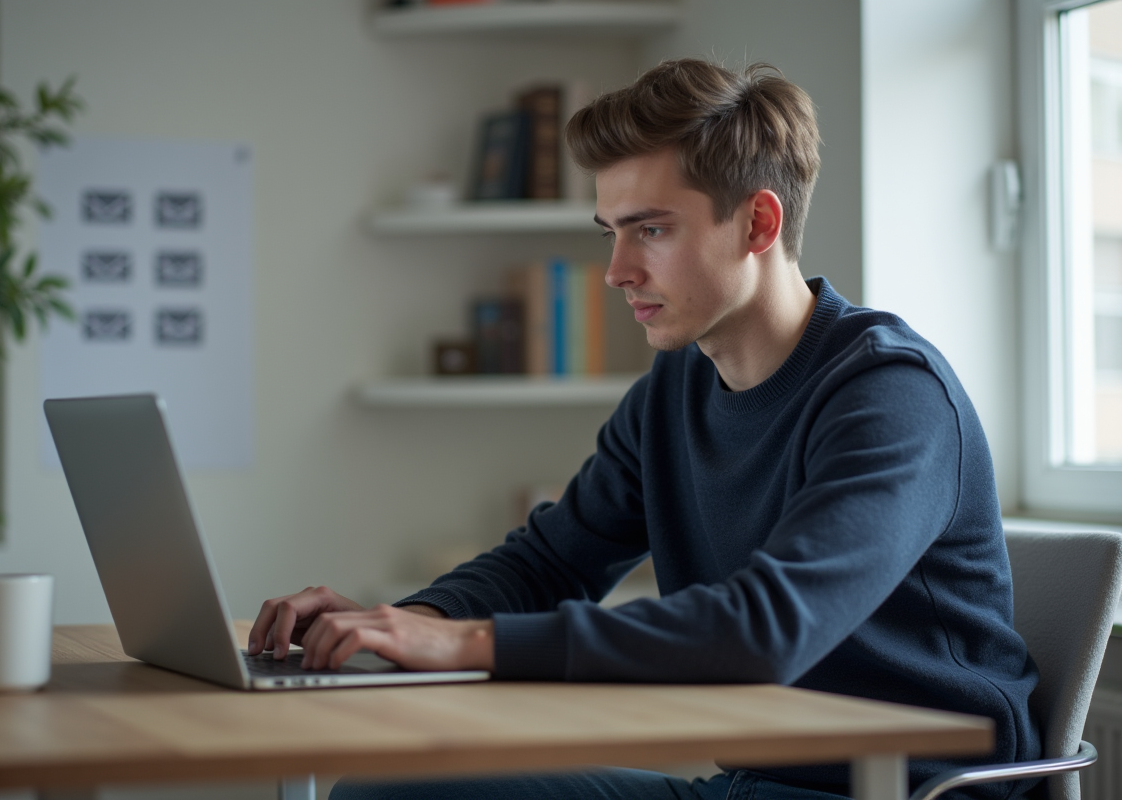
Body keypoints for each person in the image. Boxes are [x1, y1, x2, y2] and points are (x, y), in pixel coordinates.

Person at [249, 58, 1042, 800]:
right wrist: (414, 624)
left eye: (651, 230)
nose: (617, 270)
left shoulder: (890, 395)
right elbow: (553, 560)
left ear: (758, 224)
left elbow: (766, 631)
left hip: (907, 792)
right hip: (752, 786)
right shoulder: (676, 388)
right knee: (384, 792)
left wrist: (463, 648)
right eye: (611, 231)